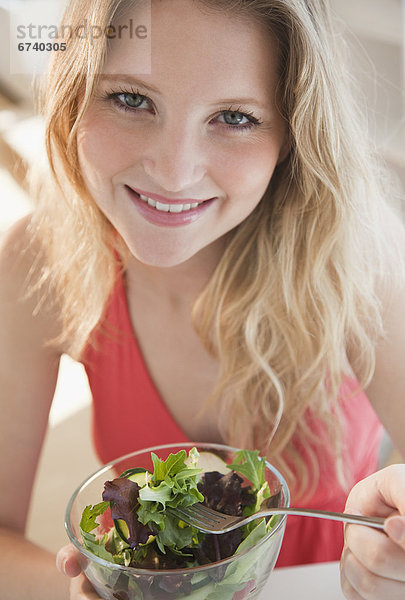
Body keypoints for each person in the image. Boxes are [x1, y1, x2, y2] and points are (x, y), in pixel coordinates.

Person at [0, 0, 404, 598]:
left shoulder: (356, 255)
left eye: (236, 117)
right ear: (72, 101)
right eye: (131, 99)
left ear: (294, 133)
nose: (174, 171)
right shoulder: (39, 258)